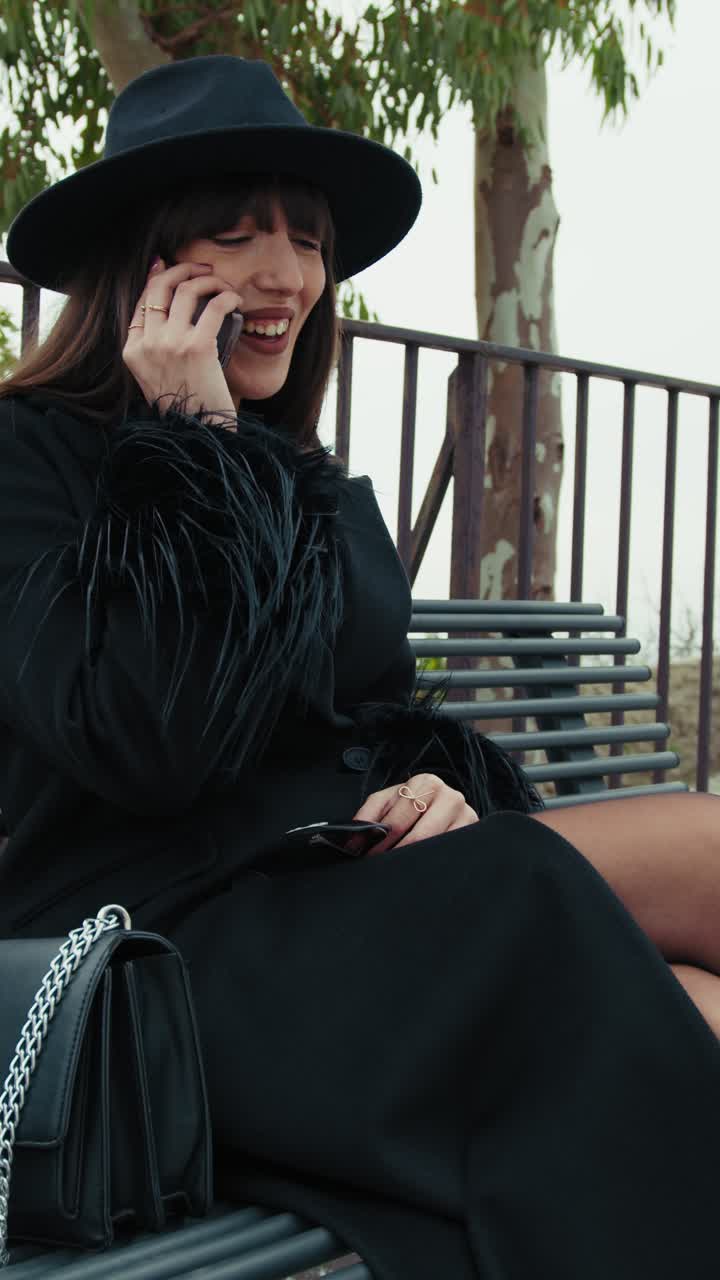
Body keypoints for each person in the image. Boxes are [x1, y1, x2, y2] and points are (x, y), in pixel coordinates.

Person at [1, 54, 720, 1280]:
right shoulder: (29, 458)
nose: (288, 275)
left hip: (346, 885)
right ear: (143, 266)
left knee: (703, 872)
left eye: (309, 240)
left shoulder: (308, 487)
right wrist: (192, 446)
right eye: (235, 233)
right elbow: (149, 739)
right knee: (635, 984)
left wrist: (435, 784)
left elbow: (372, 714)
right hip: (163, 949)